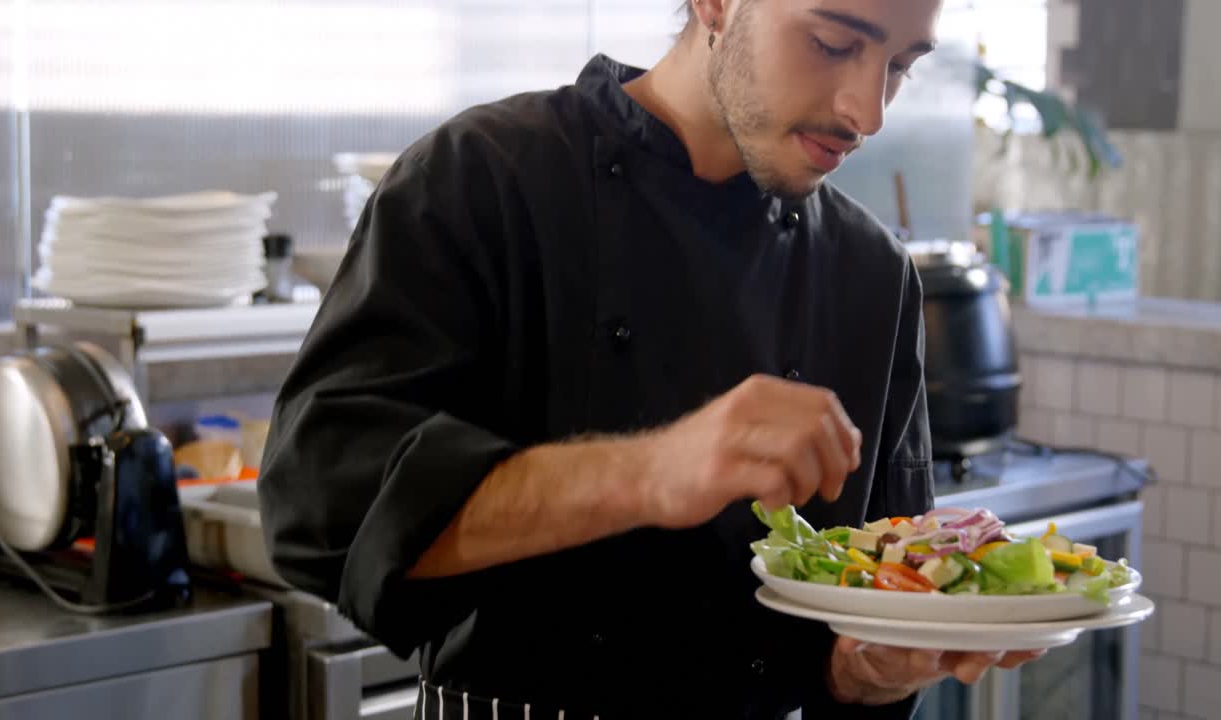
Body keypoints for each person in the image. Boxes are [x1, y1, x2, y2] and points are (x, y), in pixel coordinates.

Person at [258, 1, 1041, 718]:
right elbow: (322, 508)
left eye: (902, 66)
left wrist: (868, 671)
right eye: (833, 42)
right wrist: (653, 472)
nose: (865, 111)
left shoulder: (872, 273)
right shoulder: (484, 178)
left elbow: (851, 635)